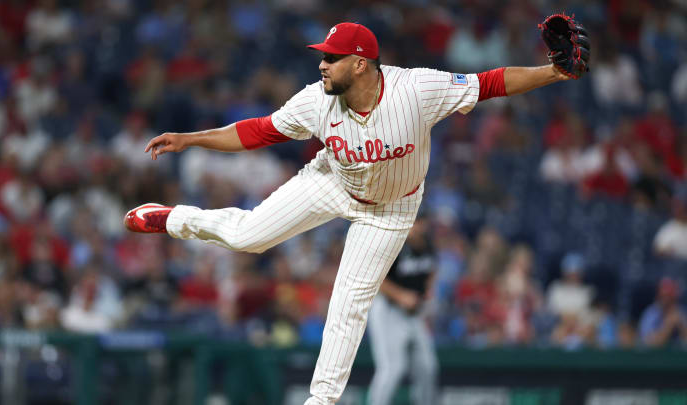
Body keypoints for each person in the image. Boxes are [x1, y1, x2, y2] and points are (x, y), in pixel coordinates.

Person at [123, 22, 584, 404]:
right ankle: (171, 218)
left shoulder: (415, 89)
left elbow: (492, 83)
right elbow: (257, 132)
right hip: (331, 181)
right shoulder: (317, 100)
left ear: (360, 63)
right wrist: (190, 138)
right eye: (323, 55)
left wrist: (553, 73)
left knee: (349, 304)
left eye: (332, 57)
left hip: (391, 209)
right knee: (248, 236)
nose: (322, 64)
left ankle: (320, 402)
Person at [367, 215, 438, 405]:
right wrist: (401, 296)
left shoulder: (427, 245)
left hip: (414, 315)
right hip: (387, 311)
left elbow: (431, 269)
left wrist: (428, 290)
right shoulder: (393, 244)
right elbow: (376, 278)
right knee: (392, 368)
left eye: (421, 222)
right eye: (415, 221)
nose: (418, 227)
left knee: (427, 367)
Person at [638, 277, 687, 348]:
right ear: (658, 296)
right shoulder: (651, 313)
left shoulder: (682, 312)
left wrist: (682, 326)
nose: (666, 300)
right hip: (655, 357)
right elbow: (648, 343)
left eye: (669, 297)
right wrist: (668, 326)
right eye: (663, 296)